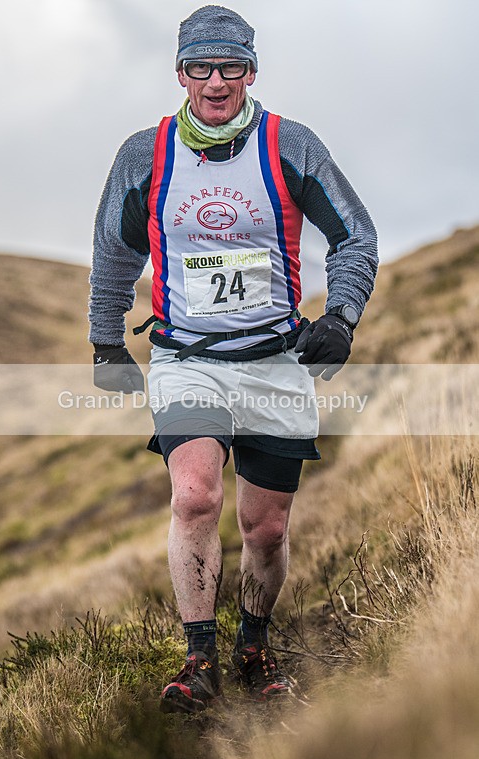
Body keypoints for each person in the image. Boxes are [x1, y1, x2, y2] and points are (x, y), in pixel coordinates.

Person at [88, 5, 378, 713]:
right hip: (185, 357)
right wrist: (104, 339)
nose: (215, 82)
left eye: (231, 67)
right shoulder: (143, 154)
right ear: (179, 72)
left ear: (251, 71)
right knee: (193, 495)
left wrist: (340, 316)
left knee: (266, 527)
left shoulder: (289, 145)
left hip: (276, 360)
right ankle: (199, 662)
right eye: (199, 67)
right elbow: (113, 253)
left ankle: (254, 645)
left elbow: (355, 237)